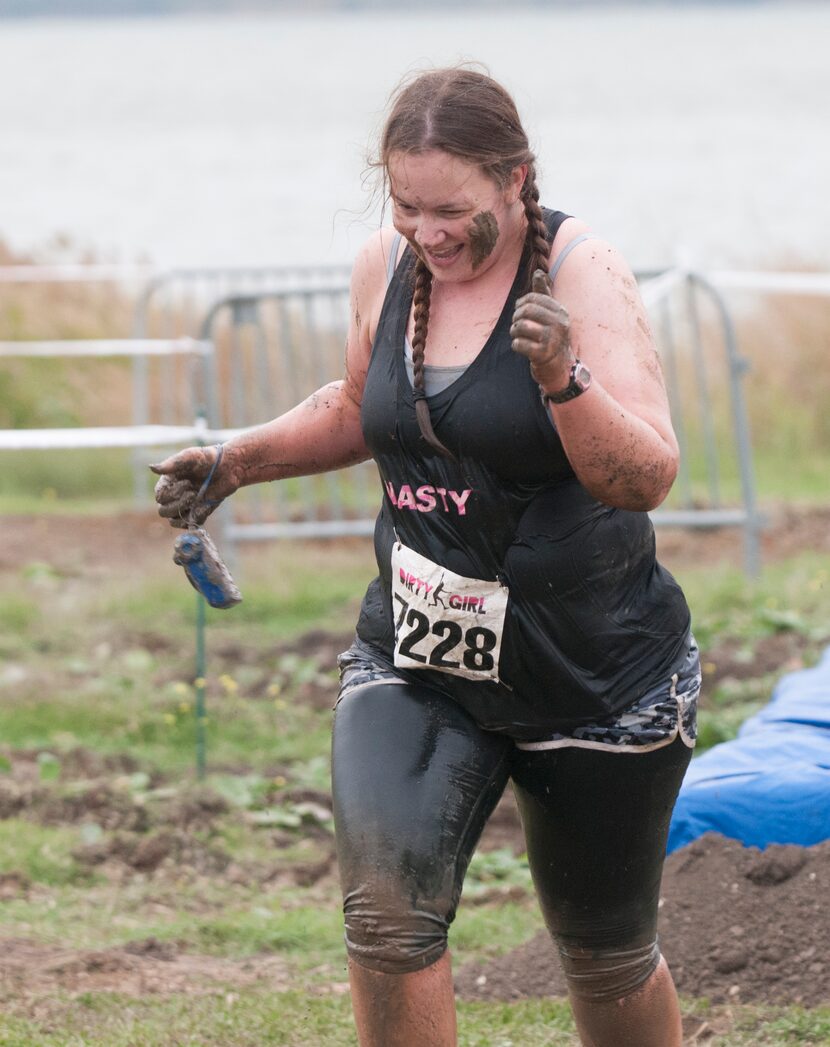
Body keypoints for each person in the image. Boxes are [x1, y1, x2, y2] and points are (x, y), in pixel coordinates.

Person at [151, 66, 700, 1047]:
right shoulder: (387, 265)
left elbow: (645, 476)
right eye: (405, 206)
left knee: (604, 951)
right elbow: (358, 405)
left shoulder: (581, 272)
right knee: (385, 919)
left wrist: (560, 379)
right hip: (421, 654)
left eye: (452, 209)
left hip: (591, 668)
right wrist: (237, 460)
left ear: (514, 179)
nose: (428, 232)